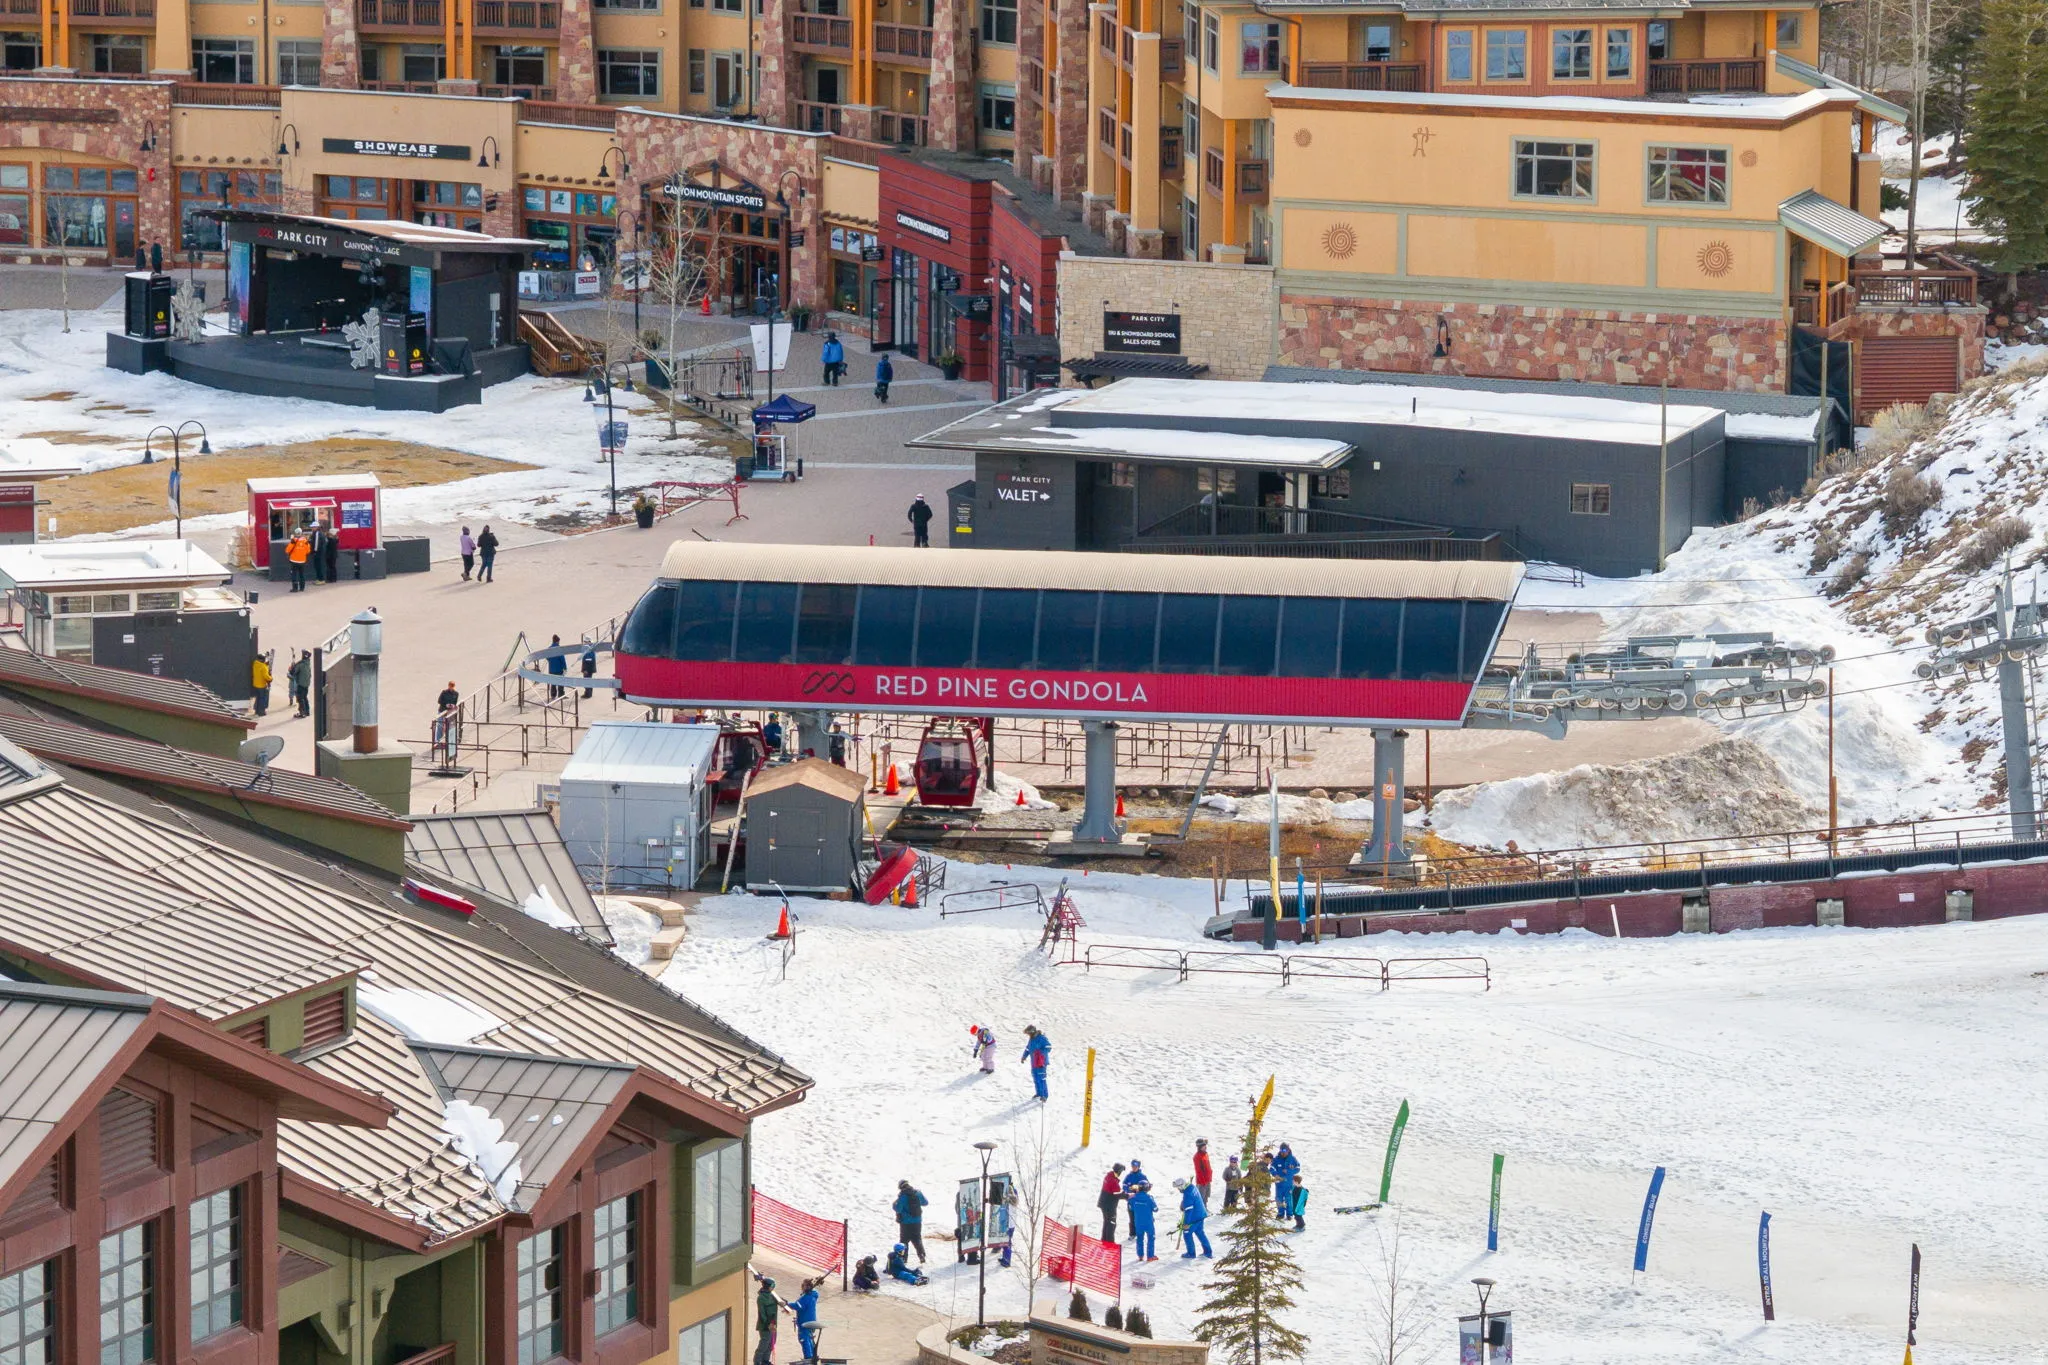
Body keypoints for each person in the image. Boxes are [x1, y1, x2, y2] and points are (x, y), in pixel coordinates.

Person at [1175, 1178, 1213, 1258]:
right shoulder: (1192, 1187)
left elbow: (1189, 1211)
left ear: (1181, 1186)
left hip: (1194, 1217)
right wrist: (1184, 1204)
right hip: (1201, 1214)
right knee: (1200, 1232)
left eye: (1178, 1188)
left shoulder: (1187, 1195)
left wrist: (1186, 1224)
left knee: (1187, 1234)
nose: (1178, 1190)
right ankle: (1208, 1251)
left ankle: (1191, 1253)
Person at [893, 1180, 928, 1264]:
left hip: (905, 1223)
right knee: (917, 1238)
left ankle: (904, 1259)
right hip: (917, 1221)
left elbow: (898, 1209)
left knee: (904, 1240)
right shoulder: (917, 1192)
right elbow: (925, 1203)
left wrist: (894, 1204)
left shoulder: (902, 1196)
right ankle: (921, 1255)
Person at [789, 1278, 822, 1361]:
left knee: (804, 1339)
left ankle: (808, 1357)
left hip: (805, 1322)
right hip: (811, 1321)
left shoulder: (806, 1297)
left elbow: (798, 1306)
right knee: (810, 1338)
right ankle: (813, 1355)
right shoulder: (813, 1295)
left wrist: (787, 1304)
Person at [1126, 1181, 1158, 1262]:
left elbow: (1131, 1208)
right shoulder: (1149, 1198)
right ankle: (1150, 1256)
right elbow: (1155, 1209)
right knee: (1151, 1238)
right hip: (1148, 1223)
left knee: (1140, 1238)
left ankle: (1140, 1256)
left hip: (1138, 1223)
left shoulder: (1133, 1198)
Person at [752, 1274, 778, 1365]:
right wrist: (768, 1324)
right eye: (772, 1286)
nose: (773, 1288)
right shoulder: (761, 1298)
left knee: (771, 1344)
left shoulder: (773, 1296)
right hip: (765, 1325)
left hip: (773, 1324)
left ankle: (765, 1361)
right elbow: (762, 1313)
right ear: (768, 1286)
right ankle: (757, 1361)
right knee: (763, 1345)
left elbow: (780, 1301)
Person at [1020, 1025, 1050, 1102]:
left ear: (1032, 1032)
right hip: (1034, 1063)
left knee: (1041, 1078)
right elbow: (1027, 1049)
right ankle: (1039, 1093)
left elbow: (1048, 1046)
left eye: (1028, 1033)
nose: (1028, 1035)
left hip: (1041, 1062)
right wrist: (1024, 1057)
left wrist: (1040, 1053)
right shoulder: (1031, 1039)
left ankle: (1044, 1095)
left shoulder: (1041, 1038)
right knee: (1036, 1078)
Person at [1270, 1143, 1300, 1218]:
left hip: (1289, 1184)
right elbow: (1272, 1168)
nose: (1283, 1152)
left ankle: (1289, 1214)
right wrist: (1275, 1174)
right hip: (1279, 1184)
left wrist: (1289, 1171)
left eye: (1284, 1150)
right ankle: (1280, 1213)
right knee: (1279, 1198)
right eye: (1281, 1150)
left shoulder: (1292, 1159)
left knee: (1288, 1199)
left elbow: (1298, 1168)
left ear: (1288, 1150)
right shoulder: (1276, 1159)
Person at [1097, 1164, 1126, 1243]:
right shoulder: (1113, 1181)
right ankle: (1110, 1242)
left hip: (1104, 1203)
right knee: (1111, 1224)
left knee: (1106, 1222)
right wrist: (1128, 1196)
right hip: (1109, 1206)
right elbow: (1118, 1194)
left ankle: (1104, 1240)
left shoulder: (1109, 1176)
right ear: (1119, 1171)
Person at [434, 680, 461, 761]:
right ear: (448, 685)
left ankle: (449, 742)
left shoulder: (456, 694)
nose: (451, 687)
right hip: (442, 711)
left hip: (450, 713)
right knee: (440, 726)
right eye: (450, 686)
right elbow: (439, 701)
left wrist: (453, 705)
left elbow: (455, 702)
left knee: (449, 728)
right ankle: (438, 742)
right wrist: (446, 704)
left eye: (452, 686)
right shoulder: (444, 692)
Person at [288, 650, 312, 718]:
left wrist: (291, 668)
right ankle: (307, 711)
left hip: (301, 684)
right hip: (306, 684)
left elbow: (293, 672)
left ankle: (302, 712)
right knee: (304, 697)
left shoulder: (300, 664)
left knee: (300, 698)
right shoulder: (307, 663)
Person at [250, 651, 272, 717]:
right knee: (262, 699)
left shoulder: (255, 664)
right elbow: (266, 676)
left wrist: (265, 664)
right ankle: (261, 712)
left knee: (258, 698)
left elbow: (260, 669)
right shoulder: (263, 667)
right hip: (261, 685)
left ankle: (256, 711)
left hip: (255, 684)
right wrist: (271, 678)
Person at [1193, 1138, 1213, 1207]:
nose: (1206, 1147)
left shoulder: (1205, 1154)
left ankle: (1205, 1209)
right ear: (1200, 1147)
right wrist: (1203, 1181)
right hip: (1202, 1182)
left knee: (1206, 1196)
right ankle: (1200, 1211)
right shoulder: (1197, 1157)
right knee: (1201, 1197)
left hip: (1207, 1180)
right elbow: (1198, 1171)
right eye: (1204, 1146)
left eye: (1205, 1145)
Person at [547, 634, 567, 699]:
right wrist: (565, 667)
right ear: (558, 641)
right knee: (561, 681)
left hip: (551, 669)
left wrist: (551, 661)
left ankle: (553, 695)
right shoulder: (559, 649)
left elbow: (547, 657)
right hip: (559, 669)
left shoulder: (549, 649)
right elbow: (562, 659)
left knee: (553, 682)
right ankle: (561, 694)